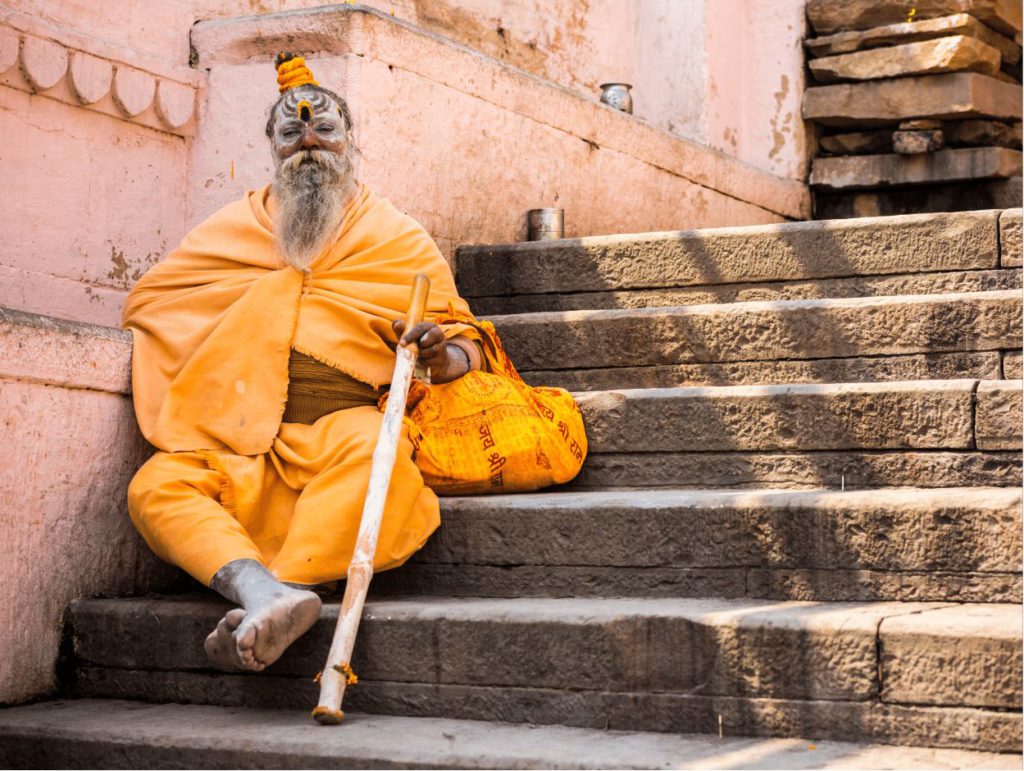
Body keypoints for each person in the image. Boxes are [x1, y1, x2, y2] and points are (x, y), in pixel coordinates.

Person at [124, 54, 485, 673]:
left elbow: (467, 342)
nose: (309, 143)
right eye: (292, 134)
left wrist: (439, 354)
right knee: (154, 487)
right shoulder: (232, 228)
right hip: (237, 438)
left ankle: (275, 591)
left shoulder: (396, 236)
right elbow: (154, 302)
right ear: (271, 147)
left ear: (352, 144)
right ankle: (266, 594)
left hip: (345, 426)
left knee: (381, 464)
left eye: (325, 131)